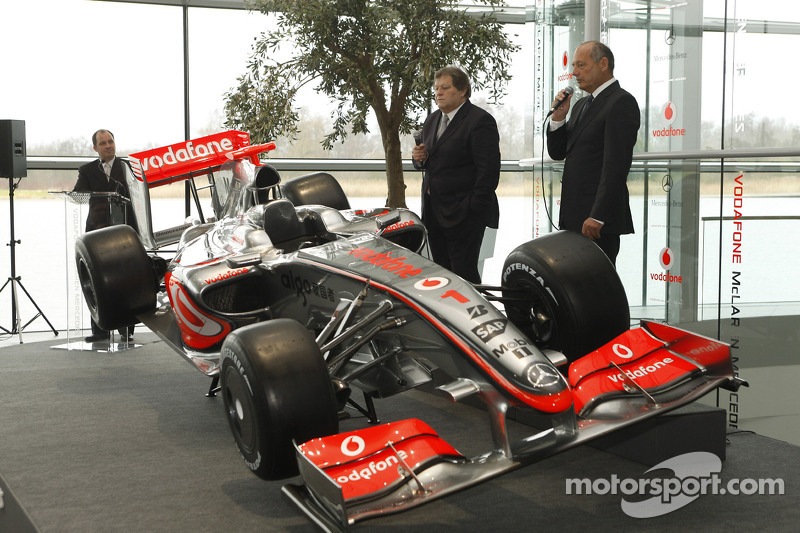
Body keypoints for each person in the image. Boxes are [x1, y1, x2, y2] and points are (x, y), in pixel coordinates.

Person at [547, 41, 640, 265]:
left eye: (581, 65)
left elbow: (616, 166)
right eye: (573, 65)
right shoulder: (580, 105)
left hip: (597, 222)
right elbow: (559, 153)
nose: (574, 72)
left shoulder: (621, 102)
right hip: (573, 216)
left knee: (597, 289)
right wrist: (558, 118)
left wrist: (598, 216)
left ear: (603, 64)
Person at [412, 66, 501, 284]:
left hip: (464, 213)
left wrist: (473, 208)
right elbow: (432, 163)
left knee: (464, 274)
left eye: (445, 88)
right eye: (436, 88)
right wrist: (419, 158)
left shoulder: (479, 120)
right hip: (434, 210)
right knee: (441, 272)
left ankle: (472, 316)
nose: (438, 93)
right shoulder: (432, 119)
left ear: (462, 91)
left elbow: (488, 171)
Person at [73, 129, 135, 343]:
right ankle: (99, 330)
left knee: (125, 279)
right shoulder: (88, 170)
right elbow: (78, 194)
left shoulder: (127, 167)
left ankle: (126, 329)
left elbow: (137, 194)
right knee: (96, 280)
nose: (108, 145)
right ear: (95, 148)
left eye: (110, 141)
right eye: (103, 143)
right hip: (96, 232)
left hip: (123, 230)